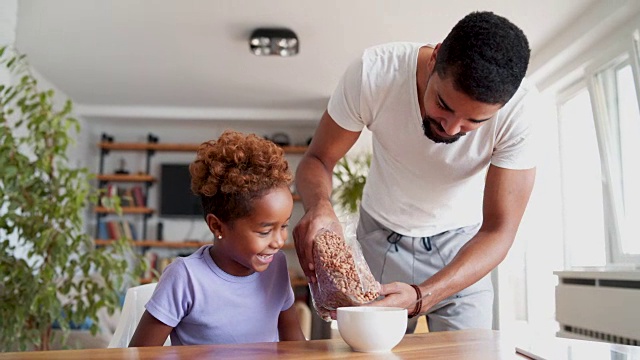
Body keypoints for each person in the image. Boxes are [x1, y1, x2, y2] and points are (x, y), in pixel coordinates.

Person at [293, 11, 539, 332]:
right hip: (380, 235)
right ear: (434, 58)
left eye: (474, 122)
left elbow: (499, 231)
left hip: (463, 249)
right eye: (444, 104)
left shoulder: (523, 113)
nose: (451, 129)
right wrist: (320, 207)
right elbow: (318, 159)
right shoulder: (374, 74)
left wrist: (424, 295)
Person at [129, 130, 305, 346]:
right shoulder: (186, 277)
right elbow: (141, 353)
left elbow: (295, 344)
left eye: (284, 226)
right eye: (264, 231)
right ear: (216, 225)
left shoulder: (276, 266)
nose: (279, 241)